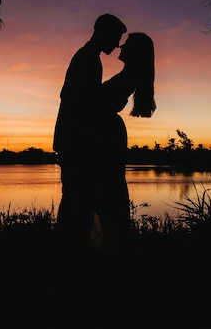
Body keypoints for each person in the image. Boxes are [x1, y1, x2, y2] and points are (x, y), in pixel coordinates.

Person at [53, 13, 127, 250]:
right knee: (77, 200)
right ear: (103, 32)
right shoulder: (88, 59)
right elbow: (80, 102)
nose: (117, 45)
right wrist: (108, 104)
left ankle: (72, 249)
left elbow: (83, 100)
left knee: (78, 200)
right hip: (76, 142)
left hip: (74, 141)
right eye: (115, 38)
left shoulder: (88, 57)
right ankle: (70, 252)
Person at [95, 32, 156, 253]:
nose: (120, 47)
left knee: (107, 187)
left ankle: (112, 243)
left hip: (108, 135)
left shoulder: (130, 75)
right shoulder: (130, 75)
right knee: (108, 187)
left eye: (127, 45)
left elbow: (100, 103)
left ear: (136, 52)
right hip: (108, 132)